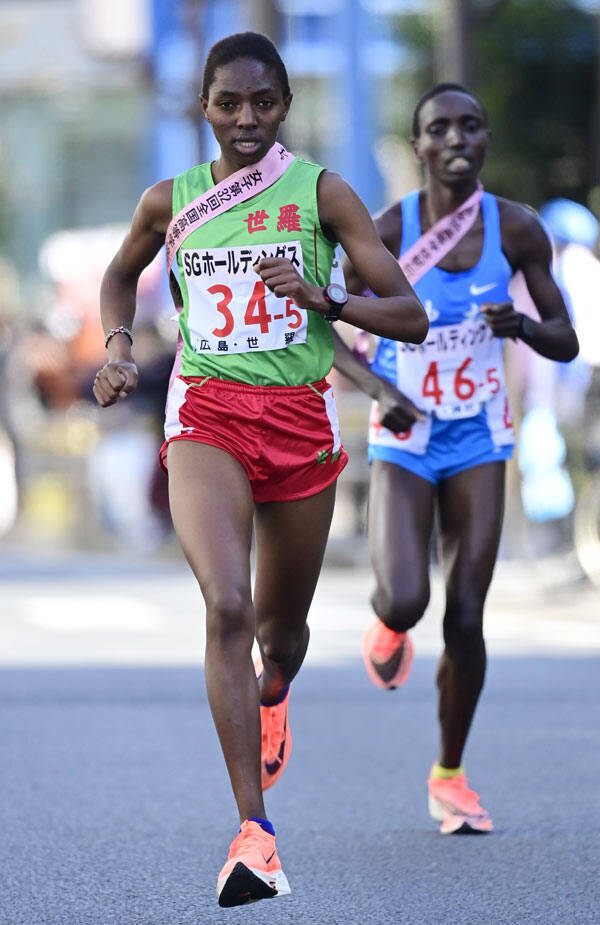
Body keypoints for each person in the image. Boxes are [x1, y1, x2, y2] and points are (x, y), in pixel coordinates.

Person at [92, 32, 427, 908]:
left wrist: (326, 297)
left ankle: (272, 690)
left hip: (298, 423)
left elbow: (411, 314)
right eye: (229, 103)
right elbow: (120, 276)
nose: (246, 118)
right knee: (227, 607)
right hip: (206, 412)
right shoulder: (170, 201)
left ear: (284, 106)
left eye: (263, 102)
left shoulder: (322, 192)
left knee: (280, 639)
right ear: (204, 107)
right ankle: (255, 833)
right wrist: (118, 349)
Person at [333, 83, 578, 835]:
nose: (455, 139)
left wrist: (523, 327)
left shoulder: (518, 229)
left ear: (485, 140)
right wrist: (382, 390)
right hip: (406, 436)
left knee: (467, 616)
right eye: (438, 128)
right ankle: (388, 622)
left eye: (469, 126)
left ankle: (450, 776)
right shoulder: (387, 229)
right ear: (418, 146)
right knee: (406, 599)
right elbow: (325, 325)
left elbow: (566, 338)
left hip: (479, 436)